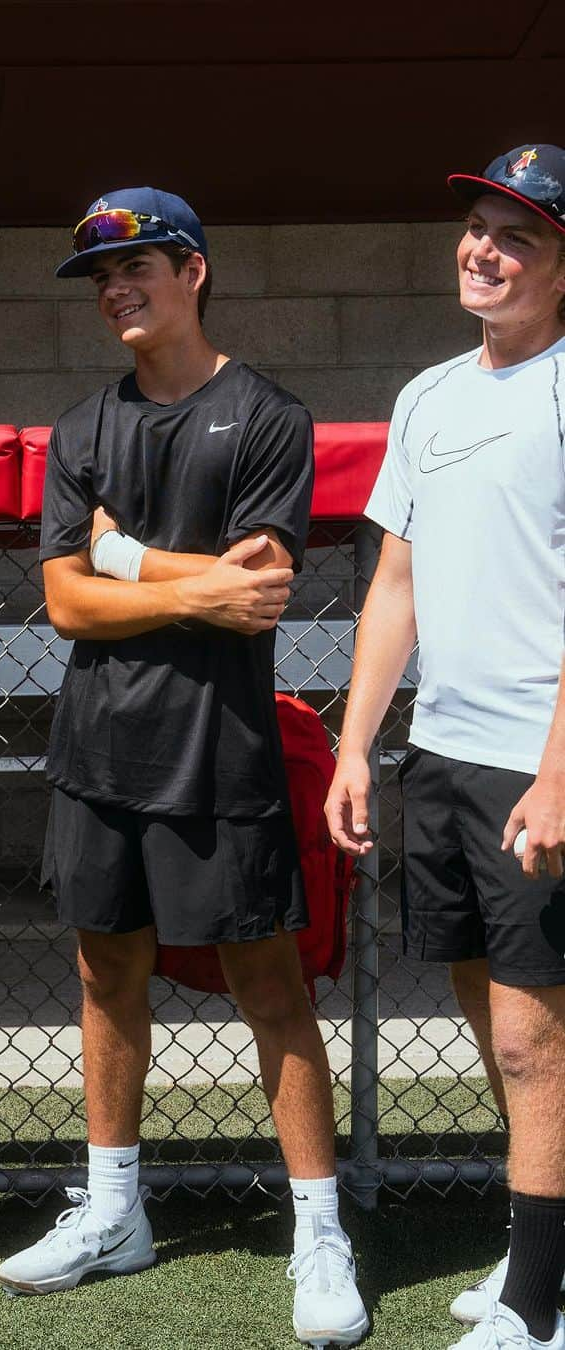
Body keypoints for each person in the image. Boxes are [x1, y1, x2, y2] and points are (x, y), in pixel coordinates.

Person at [0, 187, 369, 1346]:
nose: (118, 288)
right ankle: (115, 1211)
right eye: (101, 275)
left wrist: (120, 556)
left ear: (193, 272)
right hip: (102, 751)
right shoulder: (81, 429)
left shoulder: (265, 414)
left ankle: (319, 1229)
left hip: (225, 754)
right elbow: (64, 603)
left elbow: (257, 595)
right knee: (107, 978)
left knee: (270, 985)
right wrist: (164, 578)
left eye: (139, 265)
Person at [325, 144, 565, 1350]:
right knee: (493, 1018)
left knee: (535, 1036)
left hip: (543, 755)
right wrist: (358, 744)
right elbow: (396, 584)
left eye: (517, 235)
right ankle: (545, 1258)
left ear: (564, 266)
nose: (486, 251)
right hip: (447, 754)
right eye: (477, 227)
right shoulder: (429, 396)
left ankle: (537, 1303)